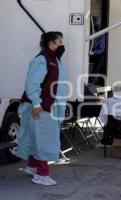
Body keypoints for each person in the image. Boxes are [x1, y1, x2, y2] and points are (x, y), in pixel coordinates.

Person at [17, 32, 68, 186]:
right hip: (40, 107)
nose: (61, 45)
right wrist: (37, 103)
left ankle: (33, 167)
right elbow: (32, 84)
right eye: (59, 41)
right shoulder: (42, 60)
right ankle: (41, 174)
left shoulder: (54, 59)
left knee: (37, 137)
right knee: (43, 140)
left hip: (47, 106)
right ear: (51, 43)